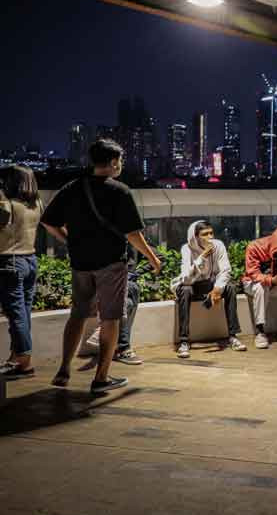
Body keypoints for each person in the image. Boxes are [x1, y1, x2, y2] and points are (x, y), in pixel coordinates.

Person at [40, 139, 162, 394]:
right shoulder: (120, 191)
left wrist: (69, 240)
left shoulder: (72, 188)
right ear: (113, 162)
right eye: (120, 161)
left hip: (80, 262)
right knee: (111, 318)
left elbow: (48, 222)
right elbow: (133, 234)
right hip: (111, 264)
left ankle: (64, 370)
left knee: (78, 314)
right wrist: (152, 258)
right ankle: (101, 378)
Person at [172, 221, 246, 358]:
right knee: (185, 290)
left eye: (211, 233)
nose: (210, 237)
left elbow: (225, 270)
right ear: (195, 237)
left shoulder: (219, 245)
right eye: (205, 234)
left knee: (230, 287)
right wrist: (203, 257)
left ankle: (233, 337)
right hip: (192, 285)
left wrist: (217, 289)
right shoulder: (186, 249)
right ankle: (184, 341)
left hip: (210, 284)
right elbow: (187, 279)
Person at [0, 165, 42, 380]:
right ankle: (16, 357)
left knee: (16, 314)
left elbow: (2, 218)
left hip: (10, 261)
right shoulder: (36, 204)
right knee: (23, 313)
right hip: (30, 260)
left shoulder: (8, 204)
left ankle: (24, 363)